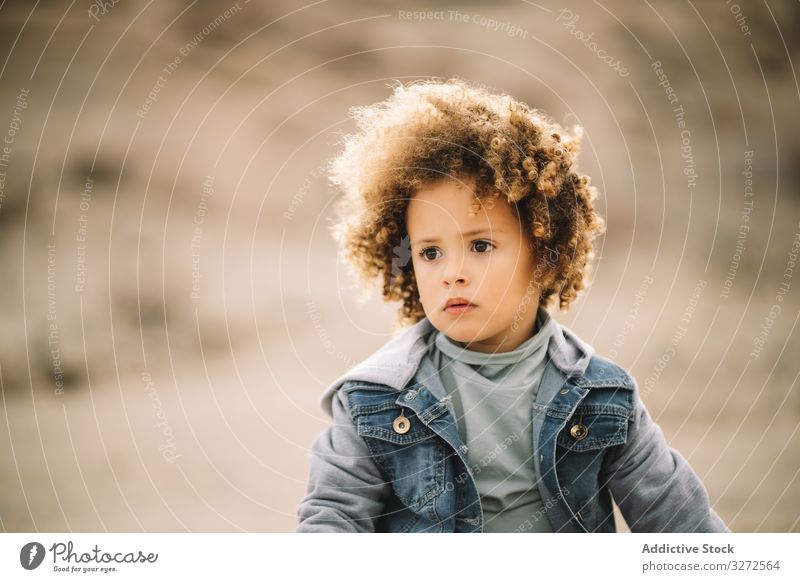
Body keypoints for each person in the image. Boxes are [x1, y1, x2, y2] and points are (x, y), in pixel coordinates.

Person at [296, 78, 728, 533]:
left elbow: (682, 521)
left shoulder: (603, 398)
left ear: (544, 256)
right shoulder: (374, 398)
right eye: (429, 252)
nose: (451, 272)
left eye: (480, 246)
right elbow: (332, 516)